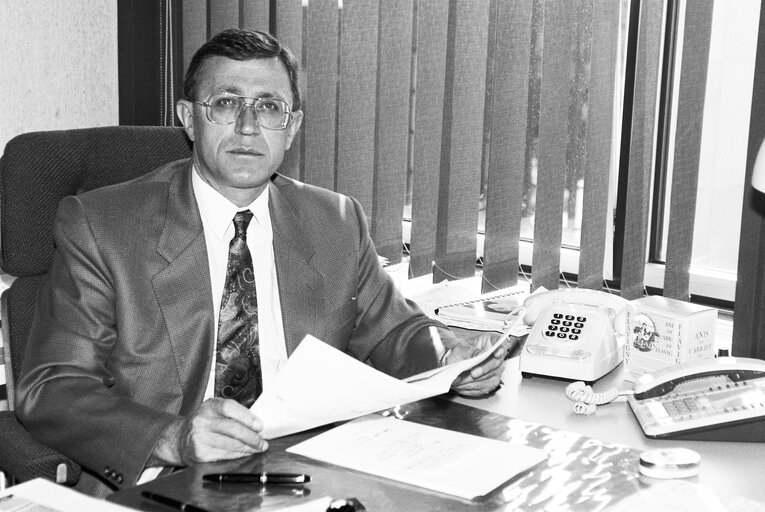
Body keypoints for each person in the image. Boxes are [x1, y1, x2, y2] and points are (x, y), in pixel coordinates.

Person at [16, 28, 510, 495]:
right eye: (226, 103)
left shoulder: (334, 219)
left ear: (291, 126)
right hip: (165, 480)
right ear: (188, 118)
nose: (248, 126)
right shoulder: (103, 225)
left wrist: (450, 358)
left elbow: (392, 333)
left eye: (269, 107)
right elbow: (53, 386)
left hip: (310, 473)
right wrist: (173, 437)